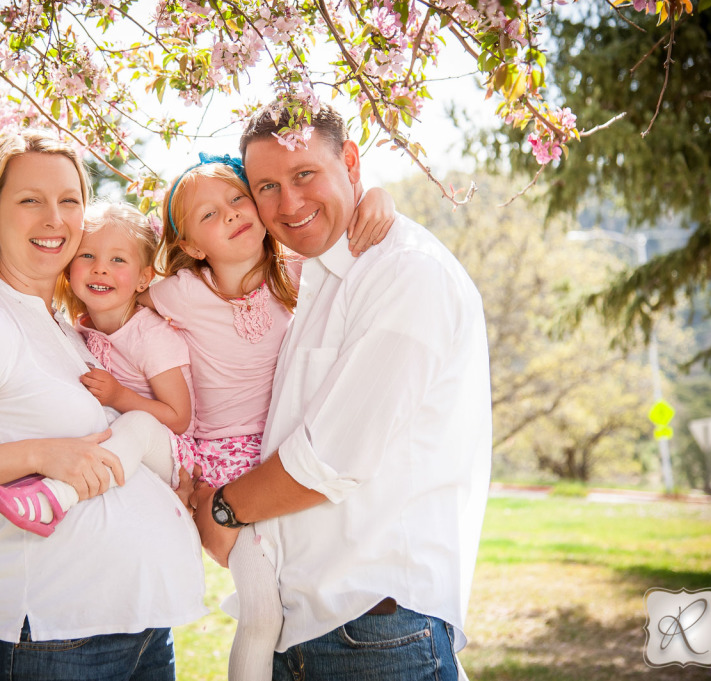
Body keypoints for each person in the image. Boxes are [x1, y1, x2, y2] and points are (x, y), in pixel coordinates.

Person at [0, 129, 206, 681]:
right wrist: (39, 454)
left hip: (140, 627)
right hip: (57, 636)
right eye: (31, 200)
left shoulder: (66, 325)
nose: (55, 219)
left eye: (69, 200)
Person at [190, 101, 492, 681]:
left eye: (305, 175)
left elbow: (328, 460)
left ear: (351, 161)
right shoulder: (321, 274)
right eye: (267, 187)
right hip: (314, 631)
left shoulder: (405, 273)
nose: (289, 204)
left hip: (375, 634)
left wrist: (223, 508)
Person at [143, 155, 396, 681]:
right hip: (220, 465)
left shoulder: (297, 274)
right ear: (190, 245)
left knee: (298, 593)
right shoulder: (179, 294)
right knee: (261, 612)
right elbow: (111, 285)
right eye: (209, 215)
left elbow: (352, 230)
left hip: (282, 461)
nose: (233, 214)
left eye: (238, 199)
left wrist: (378, 196)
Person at [0, 200, 196, 535]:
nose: (100, 269)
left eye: (118, 259)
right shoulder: (79, 328)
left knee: (136, 423)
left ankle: (55, 498)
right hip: (120, 449)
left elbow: (180, 418)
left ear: (143, 278)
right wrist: (5, 295)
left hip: (169, 451)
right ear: (68, 267)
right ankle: (10, 481)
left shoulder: (151, 336)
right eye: (88, 256)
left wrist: (119, 396)